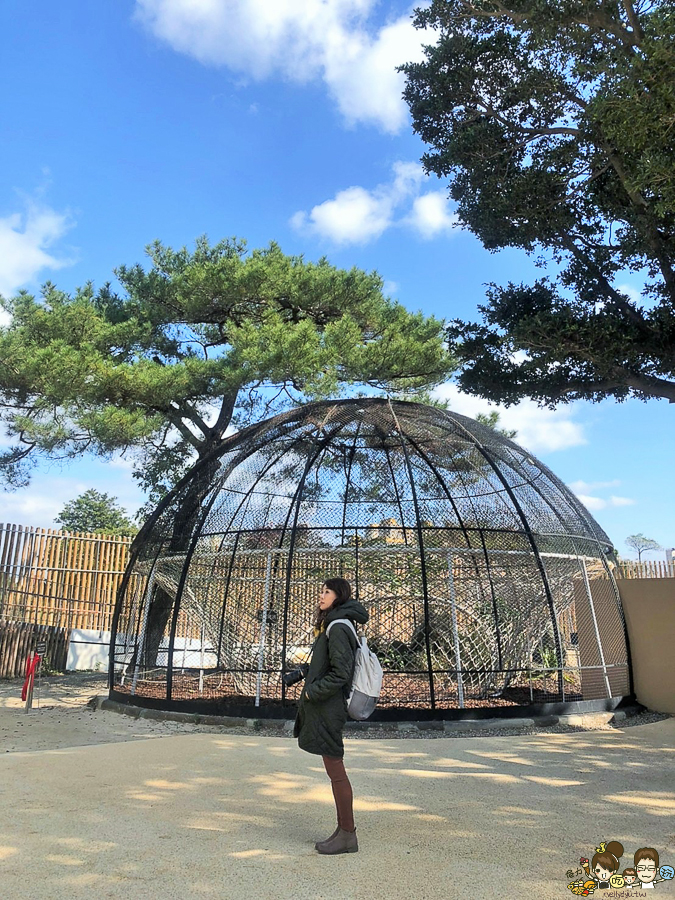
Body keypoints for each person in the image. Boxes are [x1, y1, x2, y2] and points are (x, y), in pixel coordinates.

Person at [293, 577, 368, 855]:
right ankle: (343, 830)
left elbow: (341, 673)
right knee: (333, 768)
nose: (321, 595)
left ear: (339, 596)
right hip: (326, 705)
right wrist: (302, 674)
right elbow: (325, 663)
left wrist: (312, 693)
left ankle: (347, 834)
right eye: (321, 591)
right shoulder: (333, 623)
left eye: (327, 591)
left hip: (329, 707)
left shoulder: (337, 627)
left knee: (336, 770)